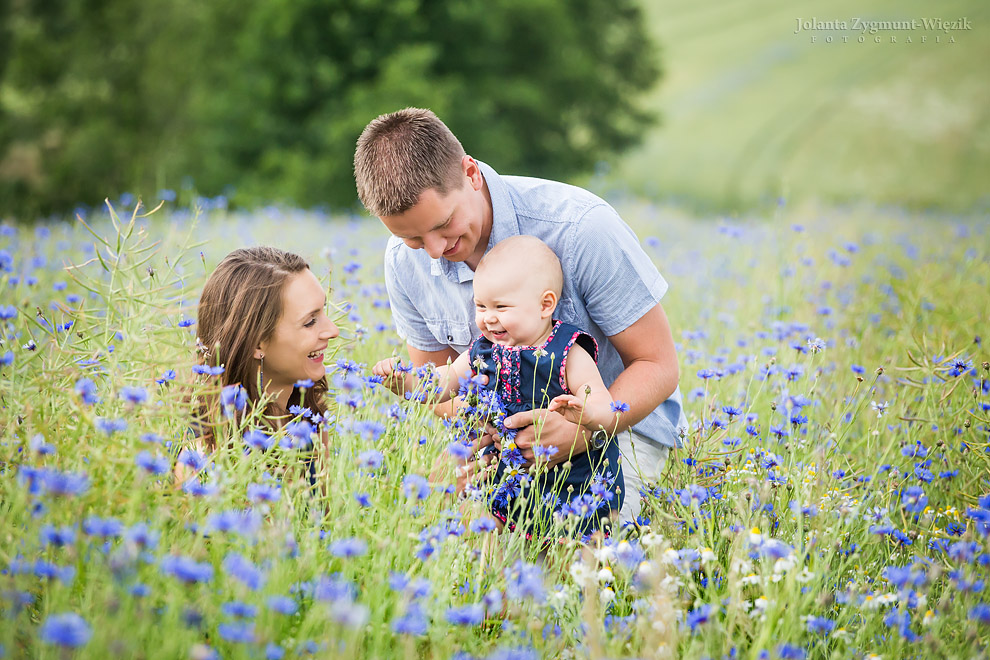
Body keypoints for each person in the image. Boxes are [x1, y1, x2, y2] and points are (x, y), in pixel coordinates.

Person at [354, 108, 688, 525]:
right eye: (412, 238)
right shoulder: (404, 261)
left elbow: (658, 365)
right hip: (502, 444)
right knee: (447, 549)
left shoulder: (580, 228)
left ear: (470, 173)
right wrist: (496, 435)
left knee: (582, 556)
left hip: (623, 432)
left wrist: (580, 431)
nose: (435, 251)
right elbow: (439, 390)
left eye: (443, 224)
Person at [373, 235, 622, 536]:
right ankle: (489, 579)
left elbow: (600, 401)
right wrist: (406, 382)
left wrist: (587, 416)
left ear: (545, 305)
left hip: (571, 475)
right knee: (483, 534)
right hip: (507, 472)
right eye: (480, 306)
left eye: (501, 307)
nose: (488, 319)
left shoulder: (567, 351)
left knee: (575, 550)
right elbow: (444, 380)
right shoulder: (483, 351)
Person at [193, 246, 339, 453]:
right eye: (310, 322)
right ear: (257, 343)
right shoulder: (204, 453)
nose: (333, 330)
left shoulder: (310, 423)